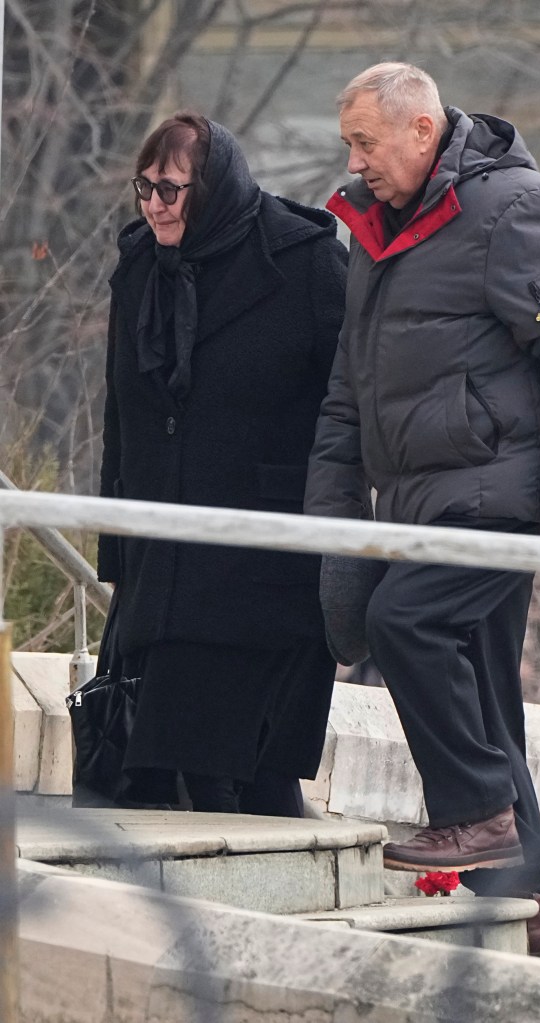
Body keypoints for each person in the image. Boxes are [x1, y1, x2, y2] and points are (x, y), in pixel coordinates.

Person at [304, 63, 540, 959]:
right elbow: (348, 394)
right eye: (349, 145)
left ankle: (478, 814)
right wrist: (336, 523)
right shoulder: (378, 230)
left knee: (404, 623)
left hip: (500, 494)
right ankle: (537, 912)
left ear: (421, 129)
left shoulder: (511, 209)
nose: (356, 160)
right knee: (484, 698)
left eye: (367, 142)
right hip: (420, 502)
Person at [97, 111, 347, 815]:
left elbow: (354, 403)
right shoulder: (142, 264)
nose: (153, 205)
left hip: (265, 556)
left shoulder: (305, 262)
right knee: (171, 772)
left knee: (239, 769)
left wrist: (343, 524)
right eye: (143, 188)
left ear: (211, 189)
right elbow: (121, 410)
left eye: (171, 190)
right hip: (163, 551)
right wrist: (114, 549)